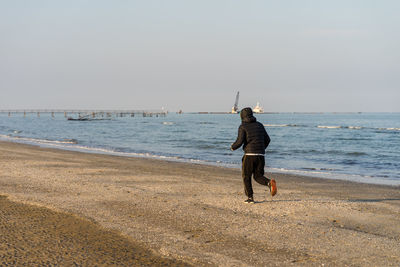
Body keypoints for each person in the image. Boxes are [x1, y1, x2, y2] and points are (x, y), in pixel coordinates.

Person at [231, 107, 277, 203]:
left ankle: (250, 198)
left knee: (246, 176)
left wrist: (233, 147)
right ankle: (269, 182)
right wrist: (261, 149)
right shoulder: (259, 125)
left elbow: (240, 141)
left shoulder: (243, 126)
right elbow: (268, 140)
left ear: (242, 116)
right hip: (261, 155)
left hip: (249, 155)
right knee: (258, 176)